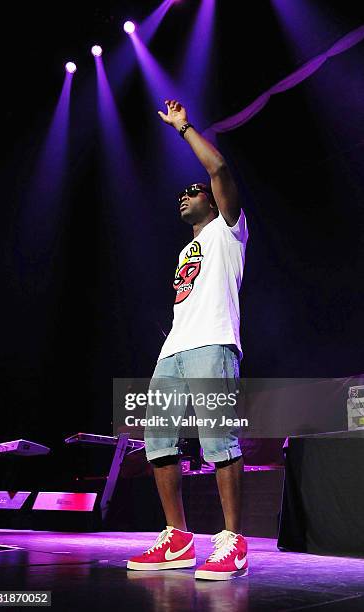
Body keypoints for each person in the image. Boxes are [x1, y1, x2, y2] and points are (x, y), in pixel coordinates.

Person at [127, 100, 249, 580]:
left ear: (213, 199)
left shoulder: (229, 228)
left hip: (214, 343)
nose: (184, 196)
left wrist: (183, 128)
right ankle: (177, 537)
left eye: (192, 191)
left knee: (219, 440)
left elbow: (217, 166)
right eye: (180, 193)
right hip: (172, 352)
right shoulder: (185, 248)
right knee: (158, 441)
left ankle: (234, 541)